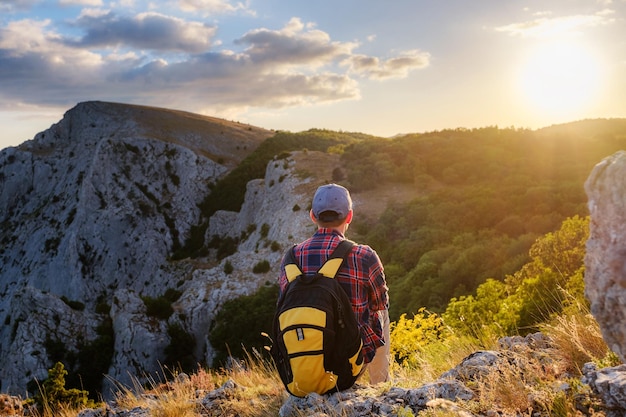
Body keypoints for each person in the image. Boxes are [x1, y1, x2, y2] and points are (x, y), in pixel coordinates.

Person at [278, 183, 390, 384]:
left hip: (303, 363)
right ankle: (380, 387)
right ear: (349, 216)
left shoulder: (290, 258)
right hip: (349, 367)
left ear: (313, 216)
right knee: (383, 314)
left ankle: (306, 372)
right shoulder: (364, 256)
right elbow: (380, 303)